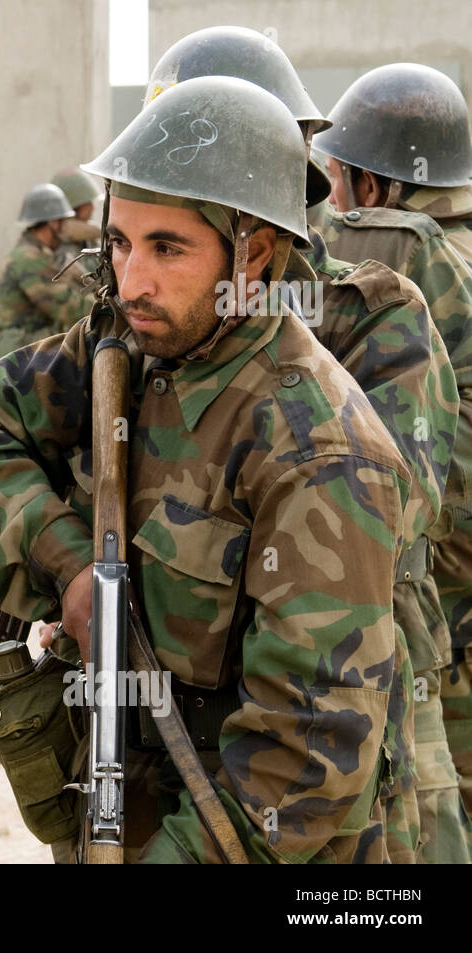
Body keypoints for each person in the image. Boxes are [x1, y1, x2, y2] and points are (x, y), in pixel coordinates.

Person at [0, 76, 407, 863]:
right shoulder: (129, 345)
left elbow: (304, 772)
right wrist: (72, 567)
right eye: (119, 242)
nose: (131, 280)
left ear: (255, 251)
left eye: (167, 248)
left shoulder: (322, 453)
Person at [144, 24, 469, 864]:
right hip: (169, 753)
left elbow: (378, 529)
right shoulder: (141, 330)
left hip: (356, 759)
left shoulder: (373, 315)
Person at [315, 62, 472, 858]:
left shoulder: (389, 253)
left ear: (373, 189)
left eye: (336, 180)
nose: (329, 200)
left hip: (438, 606)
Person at [0, 184, 92, 357]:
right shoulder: (29, 258)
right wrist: (110, 307)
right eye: (64, 223)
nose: (67, 230)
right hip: (20, 353)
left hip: (28, 347)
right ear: (53, 223)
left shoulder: (37, 252)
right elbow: (70, 309)